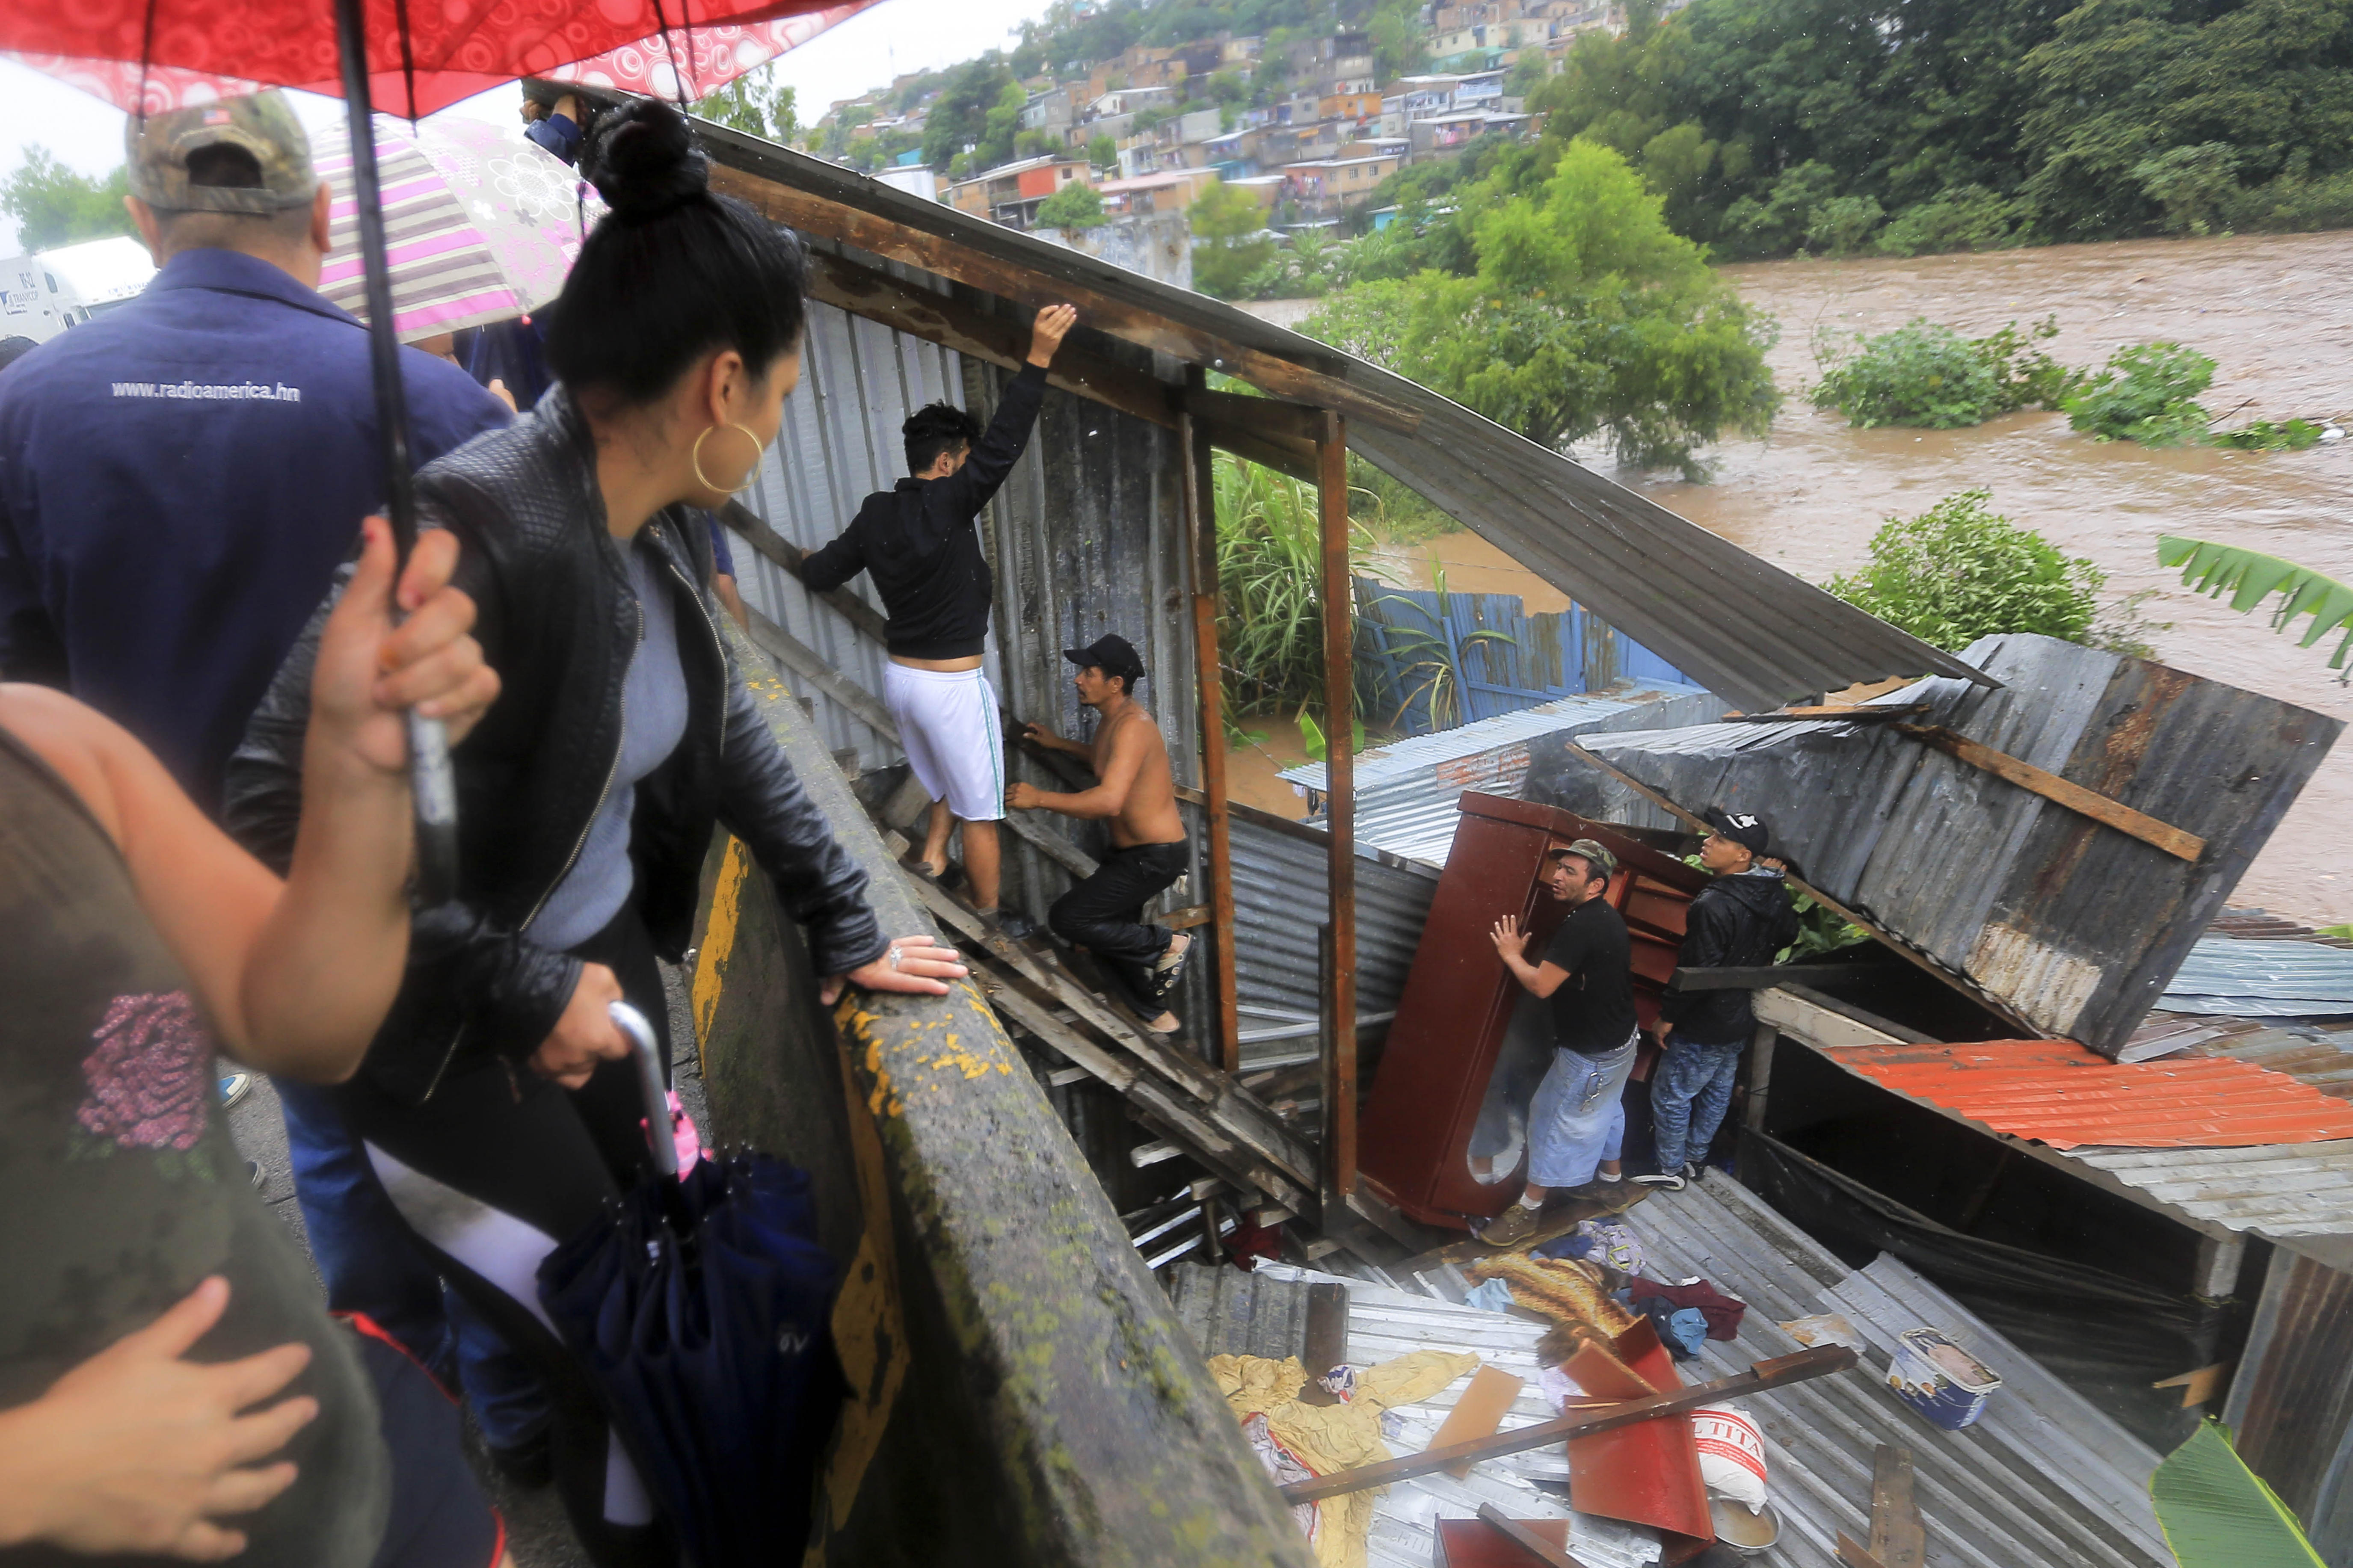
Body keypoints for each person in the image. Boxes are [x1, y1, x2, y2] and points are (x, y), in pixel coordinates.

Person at [226, 100, 966, 1568]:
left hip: (595, 993)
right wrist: (511, 987)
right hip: (439, 1059)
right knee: (605, 1356)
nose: (774, 425)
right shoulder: (480, 529)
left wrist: (847, 916)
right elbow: (262, 829)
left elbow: (725, 725)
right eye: (783, 394)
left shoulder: (642, 515)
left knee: (661, 1312)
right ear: (724, 384)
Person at [0, 91, 535, 1475]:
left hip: (127, 903)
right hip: (397, 868)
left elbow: (23, 676)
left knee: (224, 1155)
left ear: (141, 222)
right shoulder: (422, 402)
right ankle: (510, 1411)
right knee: (448, 1125)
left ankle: (365, 1378)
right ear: (319, 220)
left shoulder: (25, 408)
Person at [0, 517, 510, 1567]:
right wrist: (33, 1469)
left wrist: (360, 777)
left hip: (352, 1468)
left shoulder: (47, 746)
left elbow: (302, 1025)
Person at [802, 302, 1078, 934]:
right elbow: (1006, 444)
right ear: (951, 461)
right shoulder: (951, 501)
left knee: (949, 777)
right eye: (966, 459)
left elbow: (822, 573)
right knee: (984, 810)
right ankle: (989, 918)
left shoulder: (876, 512)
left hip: (903, 683)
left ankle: (931, 854)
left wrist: (806, 558)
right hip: (953, 689)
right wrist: (1037, 357)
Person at [1010, 634, 1195, 1033]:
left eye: (1088, 672)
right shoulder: (1114, 720)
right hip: (1135, 855)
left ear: (1115, 683)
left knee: (1070, 918)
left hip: (1155, 856)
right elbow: (1105, 760)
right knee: (1108, 940)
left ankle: (1166, 944)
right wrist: (1060, 744)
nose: (1078, 679)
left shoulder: (1133, 726)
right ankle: (1156, 1017)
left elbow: (1109, 800)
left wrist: (1039, 798)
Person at [1480, 839, 1641, 1248]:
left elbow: (1542, 985)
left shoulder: (1582, 925)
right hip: (1622, 1040)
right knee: (1607, 1106)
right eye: (1560, 867)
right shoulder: (1606, 917)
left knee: (1552, 1119)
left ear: (1596, 886)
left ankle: (1529, 1211)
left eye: (1571, 871)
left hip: (1591, 1052)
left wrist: (1512, 954)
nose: (1558, 876)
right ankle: (1610, 1183)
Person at [1633, 807, 1799, 1192]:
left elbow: (1699, 970)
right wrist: (1775, 884)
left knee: (1672, 1095)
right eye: (1711, 836)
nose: (1707, 843)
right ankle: (1694, 1158)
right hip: (1739, 1015)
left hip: (1706, 1019)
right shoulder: (1767, 891)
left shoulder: (1713, 904)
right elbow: (1788, 934)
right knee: (1716, 1091)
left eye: (1720, 840)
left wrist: (1668, 1017)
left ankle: (1670, 1168)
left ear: (1743, 855)